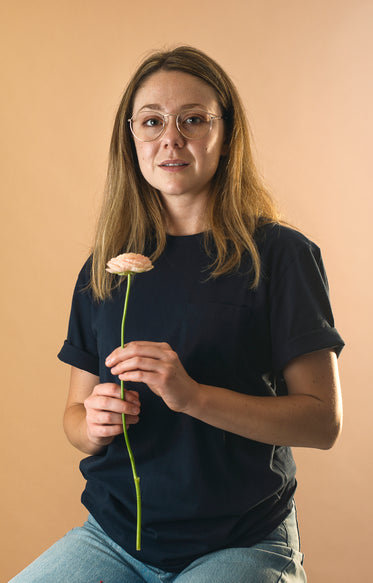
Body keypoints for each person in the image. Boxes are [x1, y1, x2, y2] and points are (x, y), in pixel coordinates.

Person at [10, 45, 344, 583]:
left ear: (226, 134)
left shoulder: (281, 255)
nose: (172, 137)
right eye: (152, 121)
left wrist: (194, 397)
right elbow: (73, 417)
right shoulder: (107, 265)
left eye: (193, 119)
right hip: (113, 538)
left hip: (240, 538)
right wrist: (93, 426)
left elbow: (322, 422)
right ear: (132, 138)